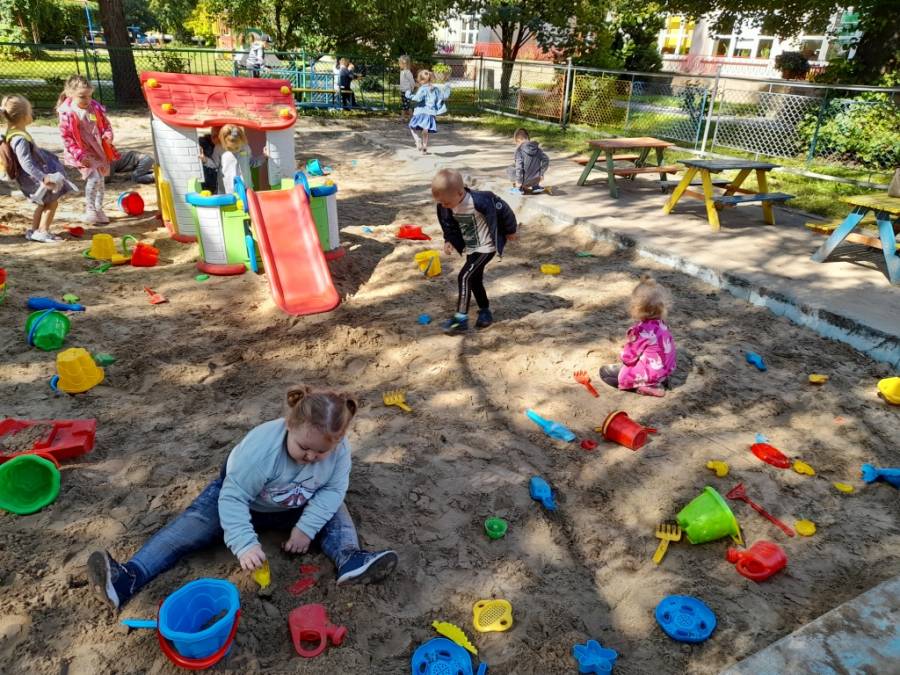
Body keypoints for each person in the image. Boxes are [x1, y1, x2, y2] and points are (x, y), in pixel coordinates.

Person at [86, 385, 399, 610]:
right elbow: (233, 497)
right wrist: (245, 543)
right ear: (290, 425)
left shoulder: (339, 450)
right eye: (304, 448)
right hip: (242, 499)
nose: (311, 457)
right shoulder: (261, 451)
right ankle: (128, 578)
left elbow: (332, 490)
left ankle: (349, 558)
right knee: (187, 528)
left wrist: (306, 529)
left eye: (322, 452)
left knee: (336, 509)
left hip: (297, 501)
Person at [432, 168, 517, 334]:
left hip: (486, 247)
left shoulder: (481, 200)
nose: (443, 206)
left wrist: (510, 230)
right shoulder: (445, 205)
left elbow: (504, 210)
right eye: (441, 203)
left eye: (446, 203)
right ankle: (485, 311)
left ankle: (460, 319)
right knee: (475, 280)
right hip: (472, 248)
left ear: (459, 193)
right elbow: (448, 224)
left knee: (464, 276)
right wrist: (448, 239)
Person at [0, 94, 75, 242]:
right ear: (24, 116)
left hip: (29, 179)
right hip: (34, 180)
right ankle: (43, 231)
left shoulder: (12, 133)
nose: (32, 114)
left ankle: (34, 231)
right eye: (30, 111)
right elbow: (26, 163)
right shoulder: (20, 138)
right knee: (52, 203)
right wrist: (43, 177)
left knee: (42, 203)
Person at [598, 275, 677, 397]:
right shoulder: (662, 325)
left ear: (636, 308)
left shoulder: (640, 331)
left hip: (651, 374)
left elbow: (628, 358)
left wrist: (623, 352)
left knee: (606, 373)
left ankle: (646, 387)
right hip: (666, 370)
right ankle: (658, 381)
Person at [56, 74, 114, 224]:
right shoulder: (68, 113)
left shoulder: (94, 108)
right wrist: (80, 155)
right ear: (70, 94)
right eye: (82, 96)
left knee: (101, 179)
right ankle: (90, 210)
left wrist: (108, 135)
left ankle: (99, 209)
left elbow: (105, 125)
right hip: (82, 152)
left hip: (97, 150)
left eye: (89, 96)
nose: (87, 100)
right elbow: (67, 137)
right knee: (94, 177)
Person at [406, 69, 449, 154]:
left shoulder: (422, 89)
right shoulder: (435, 89)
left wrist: (409, 95)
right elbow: (443, 97)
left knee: (411, 126)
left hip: (420, 112)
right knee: (425, 130)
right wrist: (447, 87)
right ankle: (424, 147)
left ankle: (417, 140)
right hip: (430, 113)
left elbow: (418, 98)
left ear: (421, 80)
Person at [218, 124, 264, 195]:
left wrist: (264, 157)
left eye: (237, 148)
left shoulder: (245, 148)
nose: (234, 150)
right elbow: (219, 172)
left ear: (242, 141)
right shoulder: (223, 153)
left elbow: (251, 162)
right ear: (224, 144)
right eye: (229, 148)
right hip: (230, 190)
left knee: (248, 201)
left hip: (246, 187)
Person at [507, 128, 549, 194]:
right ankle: (536, 187)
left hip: (524, 181)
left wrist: (519, 181)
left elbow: (519, 167)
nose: (517, 145)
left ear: (519, 139)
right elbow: (546, 160)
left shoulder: (519, 150)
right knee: (534, 163)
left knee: (510, 168)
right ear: (528, 138)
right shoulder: (538, 149)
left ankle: (519, 189)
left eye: (516, 142)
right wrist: (541, 173)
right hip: (536, 179)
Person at [198, 126, 223, 193]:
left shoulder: (220, 147)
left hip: (216, 178)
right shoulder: (204, 142)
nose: (214, 138)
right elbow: (213, 164)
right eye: (213, 136)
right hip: (207, 177)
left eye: (216, 136)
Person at [398, 55, 415, 123]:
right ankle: (405, 118)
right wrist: (401, 89)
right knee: (405, 105)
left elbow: (412, 82)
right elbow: (402, 82)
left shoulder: (408, 72)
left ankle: (411, 118)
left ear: (404, 63)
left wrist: (411, 89)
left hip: (407, 92)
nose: (399, 65)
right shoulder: (402, 72)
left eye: (400, 63)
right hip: (403, 91)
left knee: (407, 105)